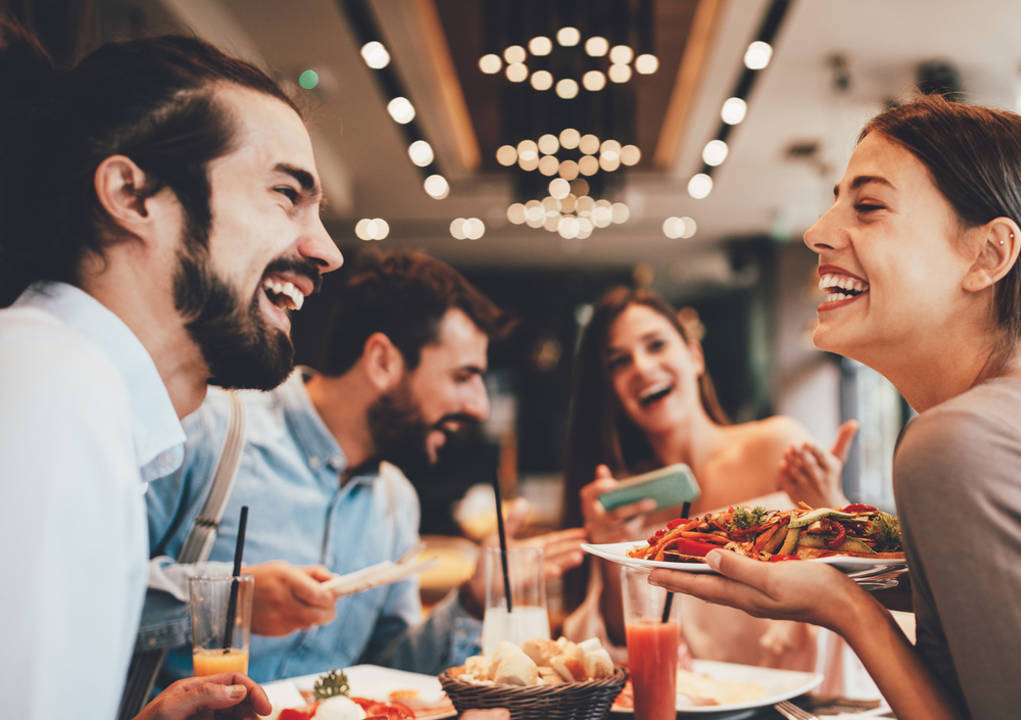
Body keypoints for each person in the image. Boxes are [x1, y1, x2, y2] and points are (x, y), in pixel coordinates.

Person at [649, 95, 1021, 720]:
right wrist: (856, 564)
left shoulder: (962, 439)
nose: (818, 232)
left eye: (868, 206)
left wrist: (847, 608)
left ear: (989, 255)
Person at [0, 18, 342, 719]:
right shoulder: (54, 390)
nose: (327, 250)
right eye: (286, 194)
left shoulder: (72, 387)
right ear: (132, 196)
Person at [143, 251, 587, 686]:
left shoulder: (395, 500)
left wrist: (472, 601)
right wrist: (232, 601)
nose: (479, 405)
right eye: (462, 376)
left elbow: (391, 671)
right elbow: (89, 589)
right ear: (382, 362)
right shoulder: (207, 430)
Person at [560, 287, 858, 682]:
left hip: (807, 699)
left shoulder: (776, 447)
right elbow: (622, 644)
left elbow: (852, 594)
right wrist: (610, 560)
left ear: (694, 356)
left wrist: (833, 506)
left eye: (656, 345)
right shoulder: (625, 506)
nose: (642, 367)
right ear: (610, 390)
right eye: (619, 361)